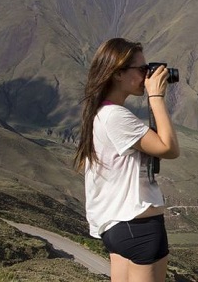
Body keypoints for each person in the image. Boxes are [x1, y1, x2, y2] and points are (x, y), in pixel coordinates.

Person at [74, 38, 180, 282]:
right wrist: (156, 96)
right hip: (139, 228)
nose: (147, 75)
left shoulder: (101, 112)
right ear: (118, 73)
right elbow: (169, 148)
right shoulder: (116, 117)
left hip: (118, 227)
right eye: (142, 69)